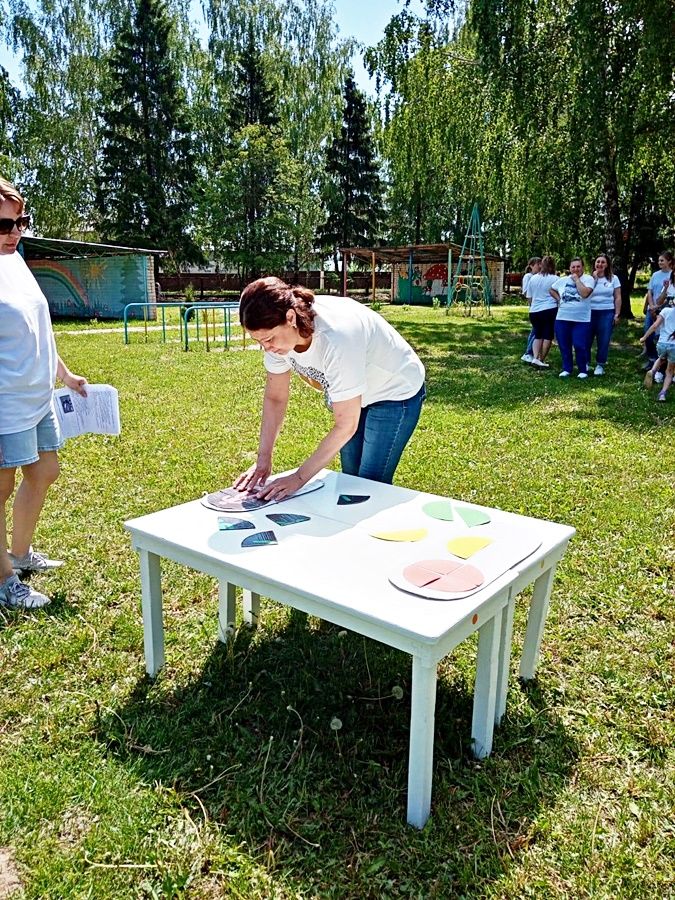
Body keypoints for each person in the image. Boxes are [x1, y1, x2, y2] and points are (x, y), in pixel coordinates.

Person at [234, 277, 426, 501]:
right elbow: (275, 398)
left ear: (290, 317)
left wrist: (298, 479)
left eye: (268, 339)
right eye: (260, 342)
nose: (267, 348)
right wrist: (263, 459)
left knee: (368, 485)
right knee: (351, 480)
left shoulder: (337, 336)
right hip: (357, 394)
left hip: (394, 390)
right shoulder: (278, 341)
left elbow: (346, 424)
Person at [0, 177, 88, 610]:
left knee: (44, 471)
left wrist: (66, 376)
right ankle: (3, 579)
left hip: (37, 396)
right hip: (4, 403)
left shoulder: (14, 261)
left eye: (21, 222)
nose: (16, 232)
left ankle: (18, 553)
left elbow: (40, 330)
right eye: (5, 225)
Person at [550, 258, 594, 378]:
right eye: (573, 267)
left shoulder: (588, 279)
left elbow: (585, 293)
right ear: (569, 268)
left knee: (579, 344)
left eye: (578, 266)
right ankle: (567, 368)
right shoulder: (562, 280)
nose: (575, 269)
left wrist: (576, 280)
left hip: (581, 319)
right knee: (564, 345)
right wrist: (559, 299)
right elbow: (551, 289)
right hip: (562, 317)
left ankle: (582, 370)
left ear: (583, 268)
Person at [587, 253, 622, 376]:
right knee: (587, 338)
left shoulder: (613, 278)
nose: (600, 264)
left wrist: (617, 314)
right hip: (589, 312)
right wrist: (594, 279)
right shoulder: (588, 278)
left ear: (607, 265)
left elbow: (617, 297)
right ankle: (585, 362)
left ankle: (600, 364)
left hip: (607, 312)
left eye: (603, 262)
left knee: (604, 339)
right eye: (598, 262)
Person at [642, 251, 674, 369]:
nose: (659, 262)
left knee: (662, 336)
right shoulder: (655, 275)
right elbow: (649, 291)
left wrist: (658, 307)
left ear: (669, 261)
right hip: (652, 309)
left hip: (666, 310)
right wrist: (651, 306)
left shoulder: (672, 275)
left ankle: (664, 363)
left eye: (662, 260)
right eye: (659, 260)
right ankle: (652, 359)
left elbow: (670, 296)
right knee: (648, 332)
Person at [526, 255, 558, 368]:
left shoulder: (533, 278)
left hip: (534, 311)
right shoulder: (555, 279)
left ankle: (535, 357)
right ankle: (542, 359)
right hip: (549, 309)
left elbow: (529, 296)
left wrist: (533, 305)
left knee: (537, 334)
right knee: (548, 335)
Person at [641, 301, 675, 401]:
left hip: (662, 343)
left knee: (661, 358)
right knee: (669, 372)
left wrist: (644, 337)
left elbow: (655, 325)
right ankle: (662, 394)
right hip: (674, 346)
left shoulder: (665, 310)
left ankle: (652, 371)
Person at [520, 257, 541, 363]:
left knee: (535, 330)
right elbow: (527, 292)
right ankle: (528, 352)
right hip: (535, 307)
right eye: (538, 265)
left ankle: (531, 352)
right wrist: (532, 305)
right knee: (536, 330)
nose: (540, 267)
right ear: (532, 266)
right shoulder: (528, 276)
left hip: (539, 307)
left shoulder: (539, 277)